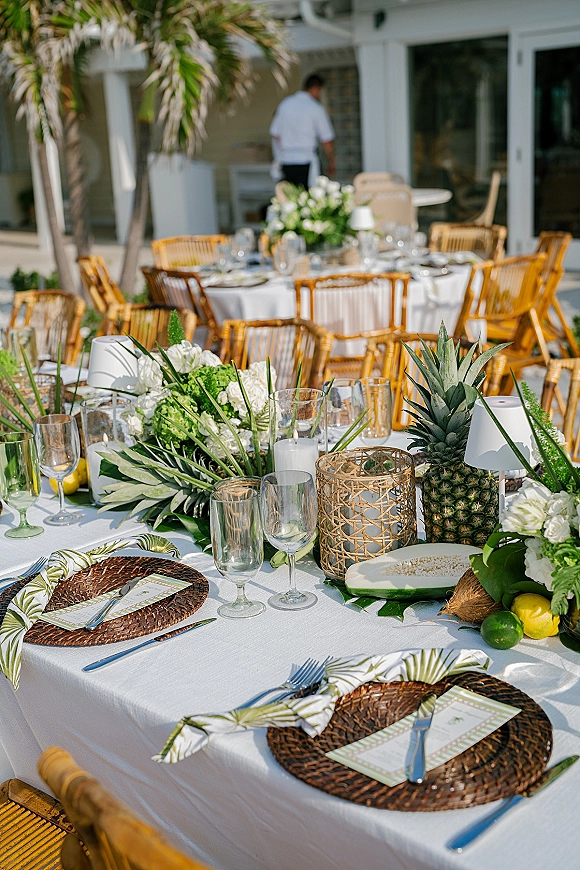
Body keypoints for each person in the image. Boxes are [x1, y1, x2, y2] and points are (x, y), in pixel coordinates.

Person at [270, 73, 336, 189]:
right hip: (306, 160)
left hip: (286, 160)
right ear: (316, 88)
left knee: (289, 200)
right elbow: (326, 139)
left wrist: (279, 155)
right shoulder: (315, 108)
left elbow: (276, 135)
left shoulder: (285, 104)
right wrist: (331, 160)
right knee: (308, 200)